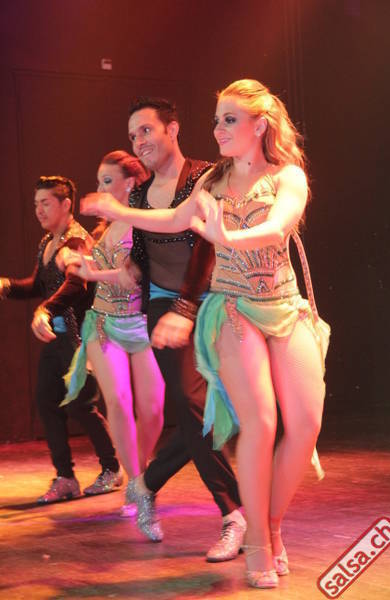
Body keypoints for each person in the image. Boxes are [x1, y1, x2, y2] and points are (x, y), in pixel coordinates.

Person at [81, 80, 330, 589]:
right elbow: (175, 218)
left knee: (305, 424)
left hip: (284, 305)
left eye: (229, 119)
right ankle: (255, 538)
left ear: (259, 124)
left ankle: (270, 522)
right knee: (260, 421)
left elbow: (278, 227)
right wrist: (118, 211)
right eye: (216, 120)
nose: (218, 129)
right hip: (230, 309)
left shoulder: (287, 175)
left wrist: (226, 236)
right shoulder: (214, 179)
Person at [81, 98, 245, 558]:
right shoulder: (138, 196)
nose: (139, 141)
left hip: (214, 304)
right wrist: (126, 268)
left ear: (172, 130)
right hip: (162, 307)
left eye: (146, 130)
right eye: (133, 135)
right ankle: (234, 514)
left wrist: (188, 307)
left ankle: (147, 482)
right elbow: (143, 254)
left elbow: (205, 247)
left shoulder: (206, 176)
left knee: (221, 412)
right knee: (193, 405)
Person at [0, 176, 122, 503]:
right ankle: (66, 477)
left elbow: (76, 284)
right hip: (57, 339)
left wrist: (45, 309)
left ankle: (112, 468)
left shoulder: (75, 242)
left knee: (81, 405)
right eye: (36, 204)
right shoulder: (47, 242)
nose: (38, 210)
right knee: (46, 401)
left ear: (66, 205)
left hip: (79, 339)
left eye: (46, 203)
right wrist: (5, 285)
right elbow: (38, 284)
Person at [60, 151, 165, 517]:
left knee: (154, 410)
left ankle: (141, 472)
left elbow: (132, 276)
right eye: (99, 181)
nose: (101, 189)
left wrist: (90, 272)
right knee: (119, 402)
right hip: (104, 324)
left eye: (108, 181)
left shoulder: (145, 224)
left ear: (130, 183)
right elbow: (100, 268)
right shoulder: (106, 228)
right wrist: (76, 261)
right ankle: (135, 481)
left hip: (142, 325)